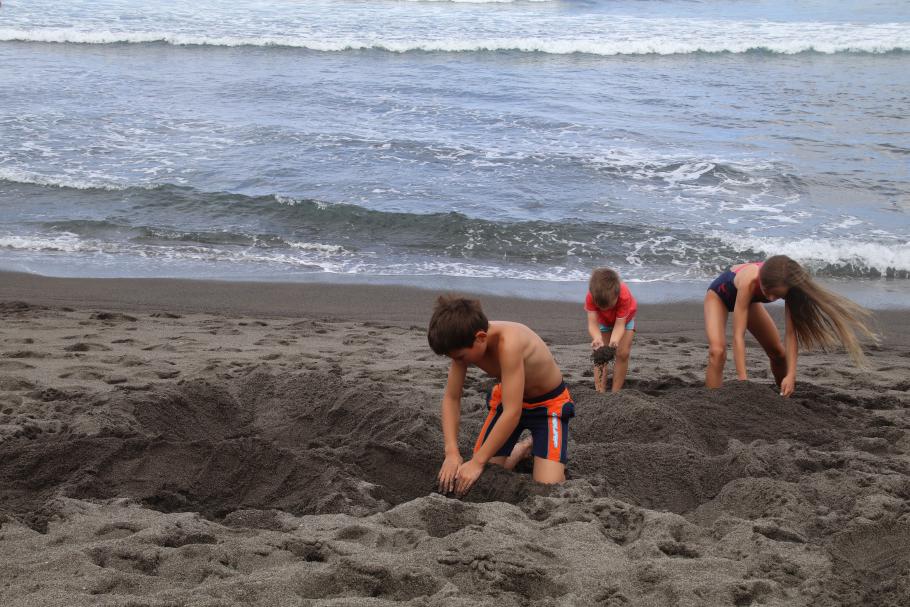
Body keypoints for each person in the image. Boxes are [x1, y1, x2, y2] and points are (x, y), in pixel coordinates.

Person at [428, 295, 574, 496]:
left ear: (480, 337)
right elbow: (452, 398)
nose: (457, 362)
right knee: (482, 479)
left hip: (548, 406)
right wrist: (451, 453)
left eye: (459, 357)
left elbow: (512, 414)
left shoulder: (509, 343)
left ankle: (536, 446)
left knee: (547, 487)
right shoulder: (462, 341)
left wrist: (477, 461)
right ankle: (521, 449)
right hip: (508, 400)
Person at [704, 255, 877, 396]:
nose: (771, 299)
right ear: (761, 282)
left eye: (777, 296)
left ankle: (783, 396)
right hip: (720, 296)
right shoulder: (749, 281)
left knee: (778, 353)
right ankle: (712, 401)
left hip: (749, 303)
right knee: (717, 351)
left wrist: (791, 375)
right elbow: (738, 336)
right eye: (767, 293)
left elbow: (791, 335)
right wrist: (743, 381)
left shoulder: (789, 286)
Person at [584, 267, 637, 392]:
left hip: (624, 320)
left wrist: (614, 341)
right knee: (600, 354)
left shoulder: (623, 295)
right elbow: (592, 323)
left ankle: (615, 392)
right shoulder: (592, 296)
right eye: (600, 306)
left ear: (616, 296)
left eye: (608, 306)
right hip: (603, 321)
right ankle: (600, 392)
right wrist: (597, 338)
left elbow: (620, 324)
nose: (604, 309)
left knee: (622, 353)